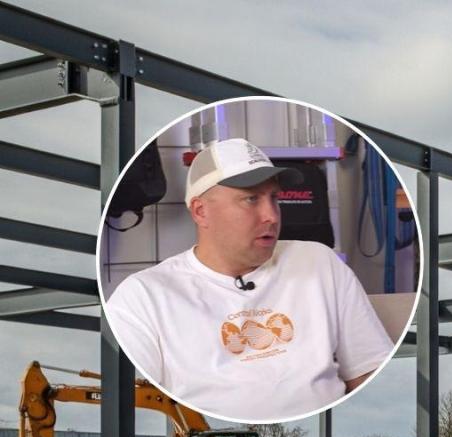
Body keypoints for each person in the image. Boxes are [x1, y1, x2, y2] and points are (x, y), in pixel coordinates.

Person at [103, 138, 396, 422]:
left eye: (274, 198)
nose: (271, 215)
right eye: (251, 199)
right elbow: (138, 409)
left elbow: (368, 374)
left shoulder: (319, 263)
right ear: (201, 211)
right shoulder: (143, 298)